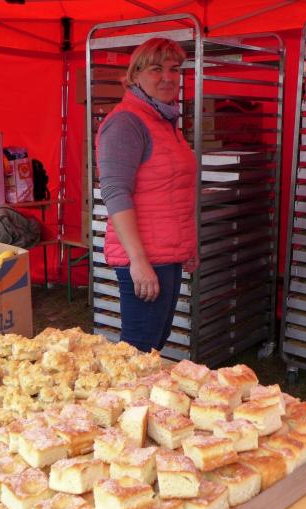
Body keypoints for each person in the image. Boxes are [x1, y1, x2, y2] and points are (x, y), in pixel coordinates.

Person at [96, 37, 198, 352]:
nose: (167, 77)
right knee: (137, 351)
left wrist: (186, 245)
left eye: (174, 69)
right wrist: (138, 261)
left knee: (153, 345)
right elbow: (115, 192)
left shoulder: (163, 120)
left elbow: (171, 191)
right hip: (144, 257)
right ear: (135, 75)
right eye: (156, 69)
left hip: (167, 253)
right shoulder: (126, 122)